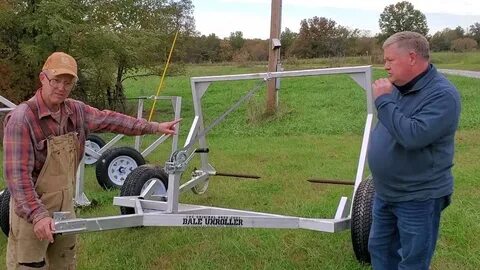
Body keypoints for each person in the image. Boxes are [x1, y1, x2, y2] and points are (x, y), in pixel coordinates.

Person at [3, 52, 181, 269]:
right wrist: (38, 216)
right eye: (56, 80)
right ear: (43, 79)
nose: (61, 87)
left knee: (65, 264)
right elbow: (17, 177)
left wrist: (154, 127)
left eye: (67, 83)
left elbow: (112, 120)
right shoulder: (22, 119)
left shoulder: (75, 111)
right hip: (31, 209)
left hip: (65, 206)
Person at [367, 31, 461, 269]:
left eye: (390, 60)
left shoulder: (442, 95)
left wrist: (383, 101)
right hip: (386, 192)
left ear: (411, 57)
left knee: (412, 261)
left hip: (418, 196)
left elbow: (413, 136)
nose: (385, 66)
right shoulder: (397, 87)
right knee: (380, 250)